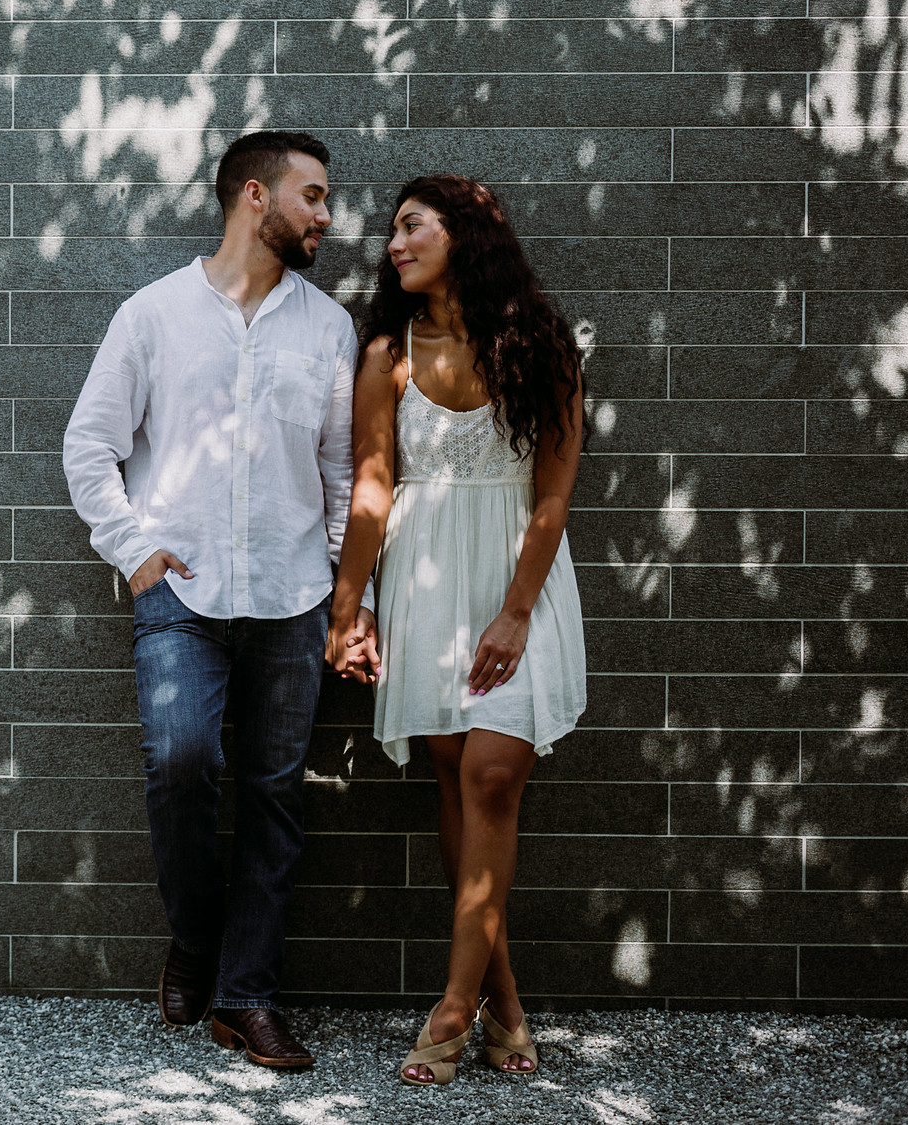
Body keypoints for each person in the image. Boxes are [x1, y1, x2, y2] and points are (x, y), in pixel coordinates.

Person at [64, 130, 375, 1069]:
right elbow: (90, 445)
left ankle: (248, 993)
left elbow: (338, 470)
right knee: (184, 765)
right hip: (181, 596)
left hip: (290, 598)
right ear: (254, 196)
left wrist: (336, 595)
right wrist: (135, 549)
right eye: (312, 196)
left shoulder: (327, 328)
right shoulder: (154, 315)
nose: (327, 215)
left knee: (276, 795)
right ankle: (197, 936)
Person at [326, 174, 587, 1086]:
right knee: (454, 775)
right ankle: (505, 1002)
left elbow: (554, 493)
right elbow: (370, 485)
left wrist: (516, 609)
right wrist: (349, 602)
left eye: (411, 226)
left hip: (517, 580)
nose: (393, 244)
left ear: (467, 234)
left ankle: (449, 1007)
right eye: (391, 233)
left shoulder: (543, 346)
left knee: (490, 773)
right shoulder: (388, 354)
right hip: (423, 581)